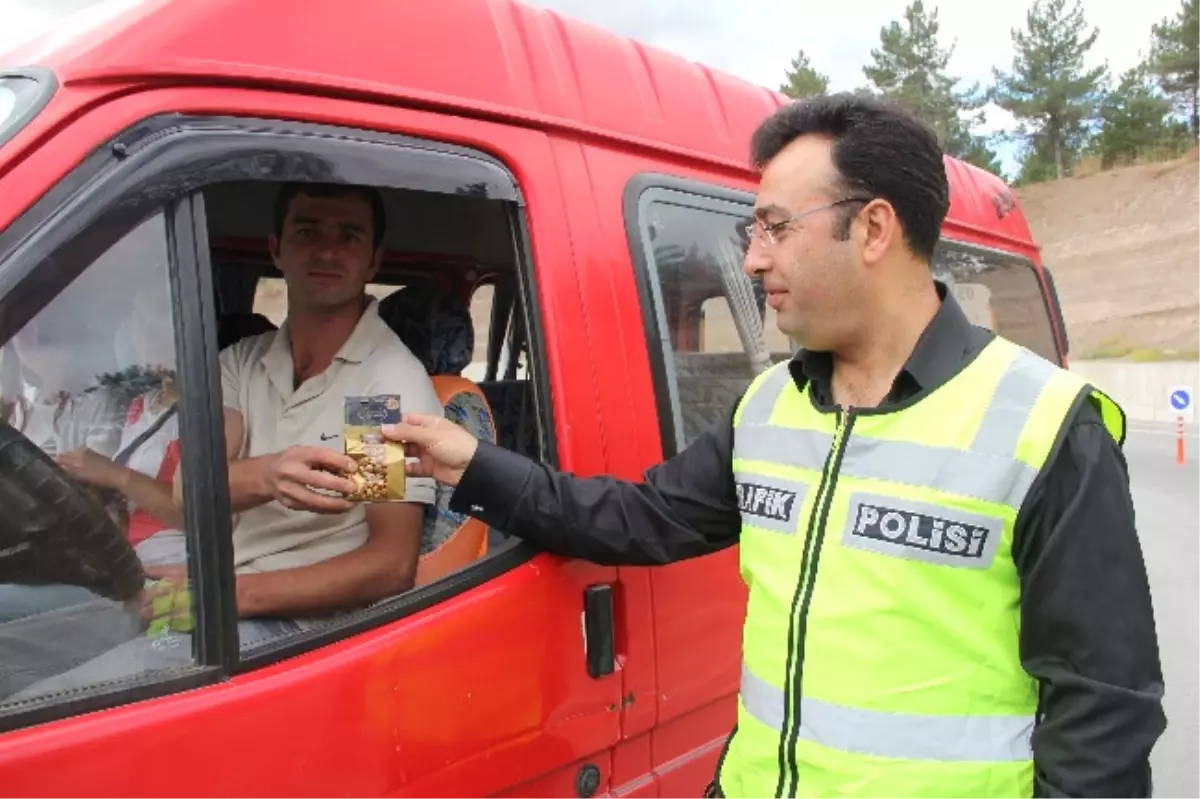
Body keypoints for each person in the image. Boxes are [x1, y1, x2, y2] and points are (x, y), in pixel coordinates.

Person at [382, 94, 1166, 798]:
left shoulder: (1046, 423)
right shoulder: (771, 406)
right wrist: (474, 464)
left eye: (775, 228)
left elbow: (1104, 713)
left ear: (874, 228)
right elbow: (642, 517)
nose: (755, 258)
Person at [3, 181, 441, 700]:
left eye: (349, 236)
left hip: (302, 627)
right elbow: (194, 489)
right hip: (215, 589)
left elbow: (388, 565)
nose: (327, 250)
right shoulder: (243, 362)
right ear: (276, 248)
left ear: (373, 261)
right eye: (308, 231)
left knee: (43, 711)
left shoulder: (379, 388)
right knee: (12, 647)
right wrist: (269, 476)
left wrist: (230, 594)